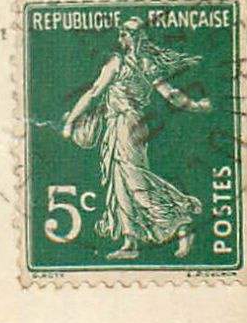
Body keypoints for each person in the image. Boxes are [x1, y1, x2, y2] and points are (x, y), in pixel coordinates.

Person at [61, 16, 211, 260]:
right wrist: (196, 105)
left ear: (132, 37)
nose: (126, 37)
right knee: (122, 180)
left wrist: (70, 121)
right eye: (126, 33)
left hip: (125, 125)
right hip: (131, 126)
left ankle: (181, 222)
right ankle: (131, 243)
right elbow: (170, 95)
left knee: (133, 179)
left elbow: (93, 93)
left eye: (128, 33)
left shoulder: (118, 63)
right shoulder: (145, 63)